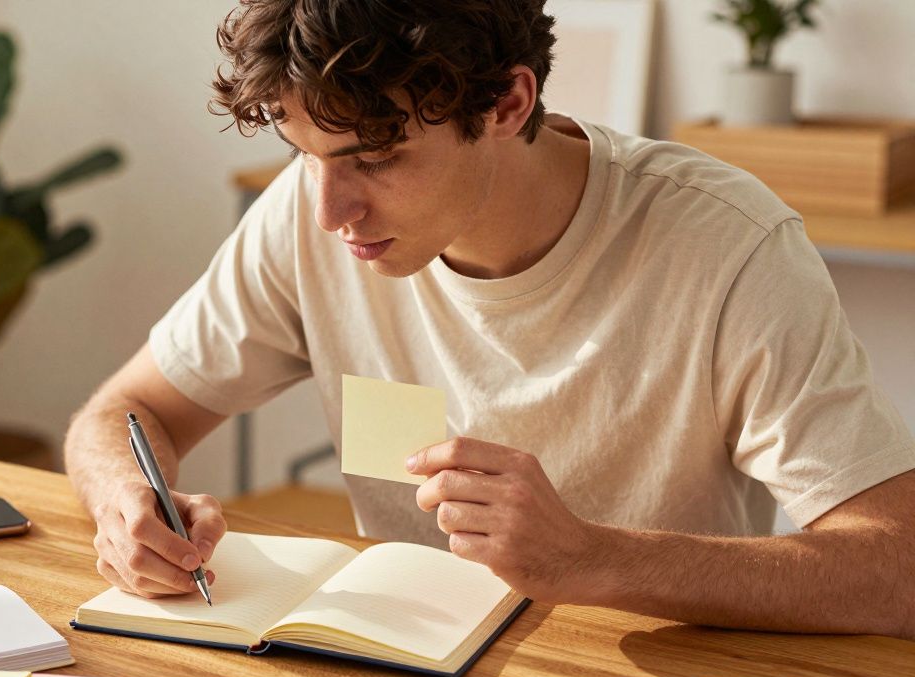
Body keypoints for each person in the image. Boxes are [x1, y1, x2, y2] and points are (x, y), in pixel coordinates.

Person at [63, 0, 915, 638]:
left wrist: (593, 558)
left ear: (507, 103)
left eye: (376, 157)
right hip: (403, 670)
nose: (329, 211)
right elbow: (124, 413)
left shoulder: (727, 246)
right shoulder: (305, 215)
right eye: (304, 154)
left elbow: (896, 568)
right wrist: (126, 501)